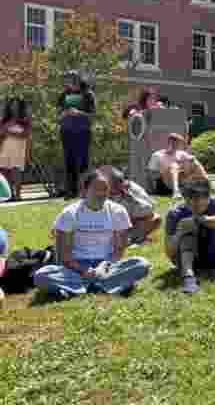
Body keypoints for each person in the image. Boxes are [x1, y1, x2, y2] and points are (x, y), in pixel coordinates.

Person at [33, 169, 151, 299]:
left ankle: (79, 288)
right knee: (41, 276)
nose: (101, 193)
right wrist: (83, 271)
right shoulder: (69, 213)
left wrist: (104, 266)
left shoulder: (118, 211)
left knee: (141, 264)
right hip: (76, 268)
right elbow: (64, 257)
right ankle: (105, 285)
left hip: (108, 265)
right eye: (96, 189)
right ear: (84, 191)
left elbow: (119, 250)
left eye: (105, 189)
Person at [165, 178, 215, 293]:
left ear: (209, 197)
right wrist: (180, 232)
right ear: (185, 199)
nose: (197, 208)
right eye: (192, 205)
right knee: (186, 232)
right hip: (188, 259)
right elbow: (169, 252)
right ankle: (188, 278)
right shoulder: (175, 212)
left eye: (201, 205)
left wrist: (200, 220)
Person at [56, 71, 95, 199]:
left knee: (83, 162)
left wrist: (79, 113)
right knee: (69, 162)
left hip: (83, 132)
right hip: (67, 132)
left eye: (70, 79)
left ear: (77, 80)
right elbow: (58, 115)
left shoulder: (87, 94)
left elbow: (92, 116)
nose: (67, 82)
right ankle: (71, 191)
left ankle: (84, 191)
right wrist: (65, 114)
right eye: (66, 79)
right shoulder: (63, 95)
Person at [102, 167, 161, 245]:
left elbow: (149, 208)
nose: (116, 187)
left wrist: (132, 199)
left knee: (156, 218)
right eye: (113, 184)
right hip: (109, 226)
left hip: (131, 222)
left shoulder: (132, 188)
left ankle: (131, 239)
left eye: (118, 182)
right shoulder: (101, 192)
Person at [0, 99, 32, 202]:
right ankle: (9, 195)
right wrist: (8, 126)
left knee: (16, 172)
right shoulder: (5, 119)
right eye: (12, 105)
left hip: (18, 149)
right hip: (5, 148)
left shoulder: (25, 119)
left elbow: (25, 135)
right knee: (5, 172)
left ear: (20, 107)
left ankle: (18, 195)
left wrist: (9, 132)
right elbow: (1, 132)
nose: (14, 107)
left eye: (16, 105)